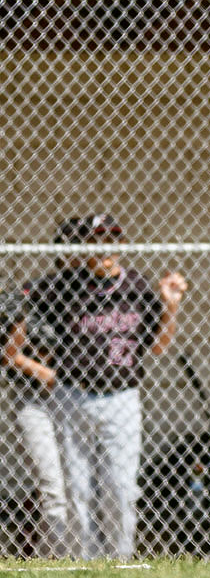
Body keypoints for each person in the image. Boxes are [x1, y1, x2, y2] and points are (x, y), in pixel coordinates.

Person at [3, 215, 188, 559]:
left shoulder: (137, 285)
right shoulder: (65, 284)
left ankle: (120, 559)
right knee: (78, 488)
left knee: (119, 487)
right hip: (73, 394)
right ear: (86, 247)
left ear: (121, 245)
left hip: (123, 396)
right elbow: (18, 300)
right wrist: (18, 334)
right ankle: (84, 562)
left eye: (112, 240)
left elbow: (159, 346)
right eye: (97, 240)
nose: (106, 249)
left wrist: (171, 306)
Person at [2, 219, 86, 558]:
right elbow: (9, 352)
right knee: (53, 485)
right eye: (71, 249)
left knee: (83, 484)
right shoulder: (36, 291)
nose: (78, 258)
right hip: (34, 398)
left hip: (79, 399)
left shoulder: (99, 296)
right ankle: (55, 560)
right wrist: (44, 372)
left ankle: (86, 557)